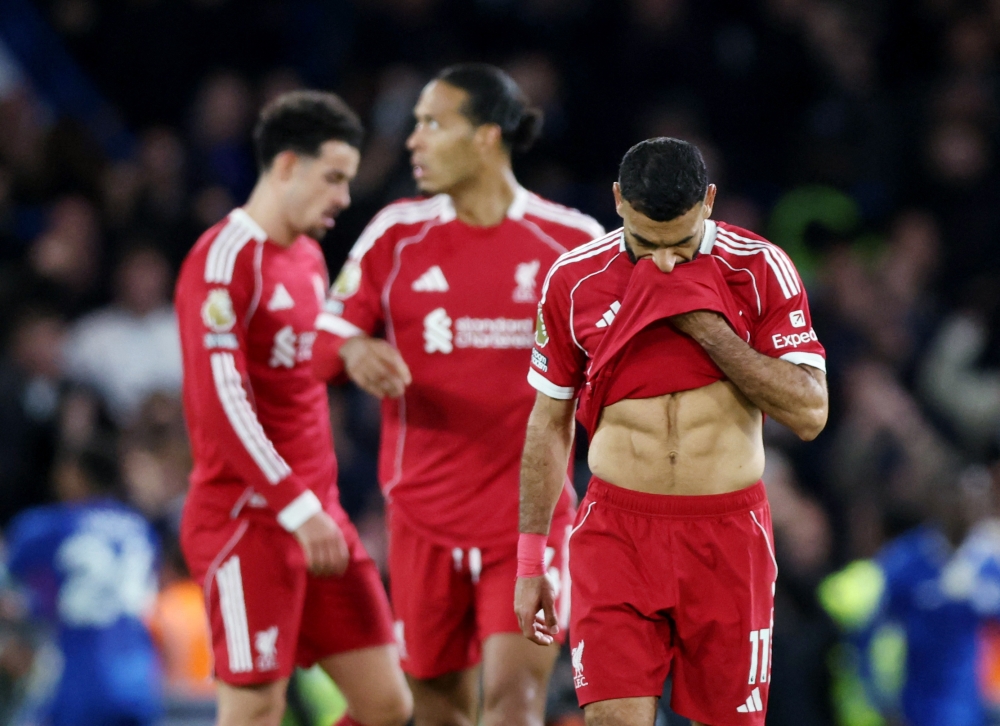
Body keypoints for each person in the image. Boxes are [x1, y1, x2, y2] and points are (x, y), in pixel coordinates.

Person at [310, 64, 604, 726]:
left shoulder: (573, 244)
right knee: (439, 708)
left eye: (432, 123)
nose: (412, 139)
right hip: (422, 517)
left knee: (514, 700)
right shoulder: (395, 234)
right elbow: (321, 341)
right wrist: (355, 349)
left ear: (485, 138)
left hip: (528, 521)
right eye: (414, 124)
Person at [515, 137, 829, 726]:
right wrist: (532, 559)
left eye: (681, 244)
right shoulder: (573, 280)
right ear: (617, 202)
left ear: (709, 202)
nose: (663, 263)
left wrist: (708, 333)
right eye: (645, 243)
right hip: (618, 533)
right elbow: (547, 422)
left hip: (727, 535)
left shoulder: (760, 269)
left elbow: (811, 412)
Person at [174, 90, 412, 726]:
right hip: (247, 519)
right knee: (255, 709)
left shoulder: (307, 256)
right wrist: (296, 506)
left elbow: (307, 362)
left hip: (318, 516)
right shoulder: (222, 260)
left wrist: (359, 351)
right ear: (285, 166)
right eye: (332, 177)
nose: (342, 197)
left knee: (388, 706)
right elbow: (221, 402)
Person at [4, 441, 163, 726]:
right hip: (140, 678)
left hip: (81, 677)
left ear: (74, 475)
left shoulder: (49, 527)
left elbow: (11, 583)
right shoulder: (140, 528)